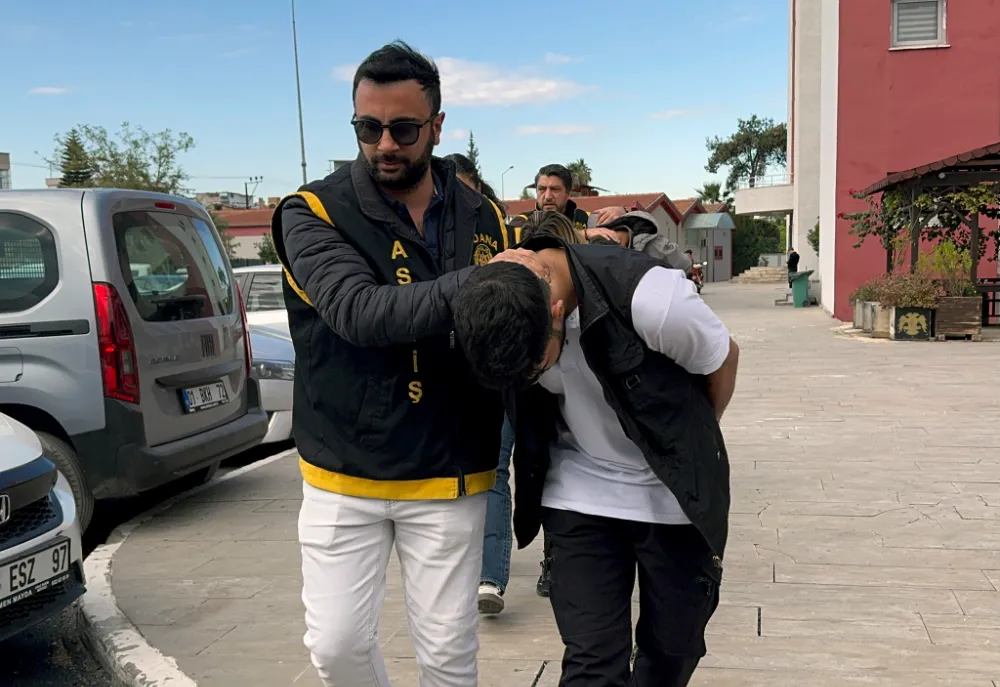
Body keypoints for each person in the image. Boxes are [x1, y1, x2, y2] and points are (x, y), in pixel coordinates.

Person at [270, 41, 543, 687]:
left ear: (437, 126)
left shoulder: (486, 215)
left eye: (403, 129)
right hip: (344, 468)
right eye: (368, 128)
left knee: (448, 655)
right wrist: (487, 280)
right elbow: (359, 311)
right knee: (335, 647)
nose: (385, 144)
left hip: (453, 468)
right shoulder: (310, 211)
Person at [451, 211, 739, 687]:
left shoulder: (651, 299)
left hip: (671, 495)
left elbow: (722, 358)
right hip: (579, 492)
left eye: (533, 369)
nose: (530, 379)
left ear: (556, 315)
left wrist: (684, 447)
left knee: (672, 653)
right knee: (592, 664)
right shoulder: (501, 298)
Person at [509, 163, 626, 242]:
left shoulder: (585, 218)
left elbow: (623, 231)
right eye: (542, 189)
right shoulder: (523, 220)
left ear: (568, 193)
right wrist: (583, 234)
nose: (547, 196)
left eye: (555, 189)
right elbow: (532, 238)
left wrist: (623, 213)